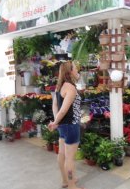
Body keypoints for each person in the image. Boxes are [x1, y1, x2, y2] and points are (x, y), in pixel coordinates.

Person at [48, 60, 84, 189]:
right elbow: (63, 109)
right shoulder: (70, 88)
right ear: (70, 72)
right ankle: (72, 186)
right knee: (69, 159)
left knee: (62, 154)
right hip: (71, 126)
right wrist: (56, 122)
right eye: (75, 68)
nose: (77, 71)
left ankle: (65, 181)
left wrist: (57, 121)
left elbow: (55, 105)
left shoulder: (60, 86)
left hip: (63, 126)